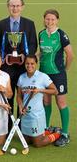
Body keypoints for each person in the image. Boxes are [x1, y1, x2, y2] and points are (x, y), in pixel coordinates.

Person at [0, 0, 37, 131]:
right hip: (7, 67)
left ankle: (22, 128)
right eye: (12, 5)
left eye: (17, 5)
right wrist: (4, 56)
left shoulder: (29, 24)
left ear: (22, 7)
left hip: (24, 67)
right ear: (8, 7)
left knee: (23, 97)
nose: (15, 8)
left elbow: (33, 44)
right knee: (8, 96)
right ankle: (8, 128)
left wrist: (26, 56)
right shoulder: (0, 25)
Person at [38, 9, 73, 147]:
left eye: (52, 19)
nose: (50, 22)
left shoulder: (61, 35)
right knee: (46, 102)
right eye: (47, 19)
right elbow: (41, 52)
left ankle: (64, 134)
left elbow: (70, 55)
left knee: (61, 103)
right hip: (43, 74)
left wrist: (64, 70)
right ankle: (46, 129)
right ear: (44, 19)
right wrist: (34, 57)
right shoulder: (41, 33)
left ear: (57, 20)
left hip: (57, 75)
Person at [17, 55, 60, 147]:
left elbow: (55, 91)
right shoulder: (21, 77)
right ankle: (47, 131)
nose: (29, 66)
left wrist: (40, 90)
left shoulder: (42, 76)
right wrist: (20, 106)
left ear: (36, 64)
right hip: (25, 115)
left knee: (37, 143)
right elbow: (19, 96)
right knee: (27, 141)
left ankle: (57, 133)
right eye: (27, 64)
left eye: (32, 63)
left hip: (36, 115)